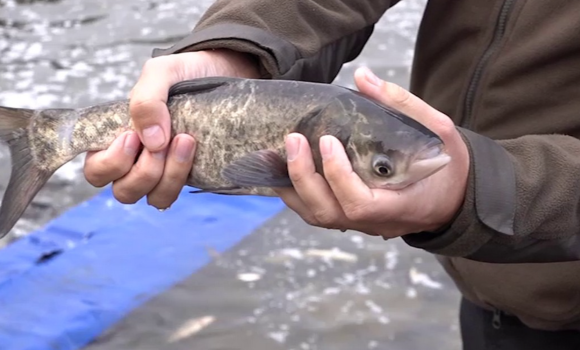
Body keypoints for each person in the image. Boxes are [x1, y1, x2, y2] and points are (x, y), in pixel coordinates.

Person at [82, 1, 580, 349]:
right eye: (383, 167)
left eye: (382, 168)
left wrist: (482, 190)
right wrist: (238, 46)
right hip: (493, 296)